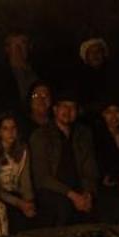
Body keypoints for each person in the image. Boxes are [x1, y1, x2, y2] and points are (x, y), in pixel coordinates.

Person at [30, 94, 97, 227]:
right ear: (55, 109)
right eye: (64, 106)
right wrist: (73, 196)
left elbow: (90, 168)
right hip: (53, 189)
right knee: (63, 208)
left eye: (72, 107)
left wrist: (88, 193)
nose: (68, 111)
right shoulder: (41, 135)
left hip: (78, 188)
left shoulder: (83, 134)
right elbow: (42, 177)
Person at [0, 113, 38, 231]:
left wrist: (28, 202)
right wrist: (19, 203)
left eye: (13, 128)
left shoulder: (23, 150)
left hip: (16, 192)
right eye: (5, 129)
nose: (10, 132)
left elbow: (25, 179)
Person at [0, 31, 39, 119]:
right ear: (7, 49)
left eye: (22, 44)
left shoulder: (39, 71)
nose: (18, 49)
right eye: (14, 45)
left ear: (29, 47)